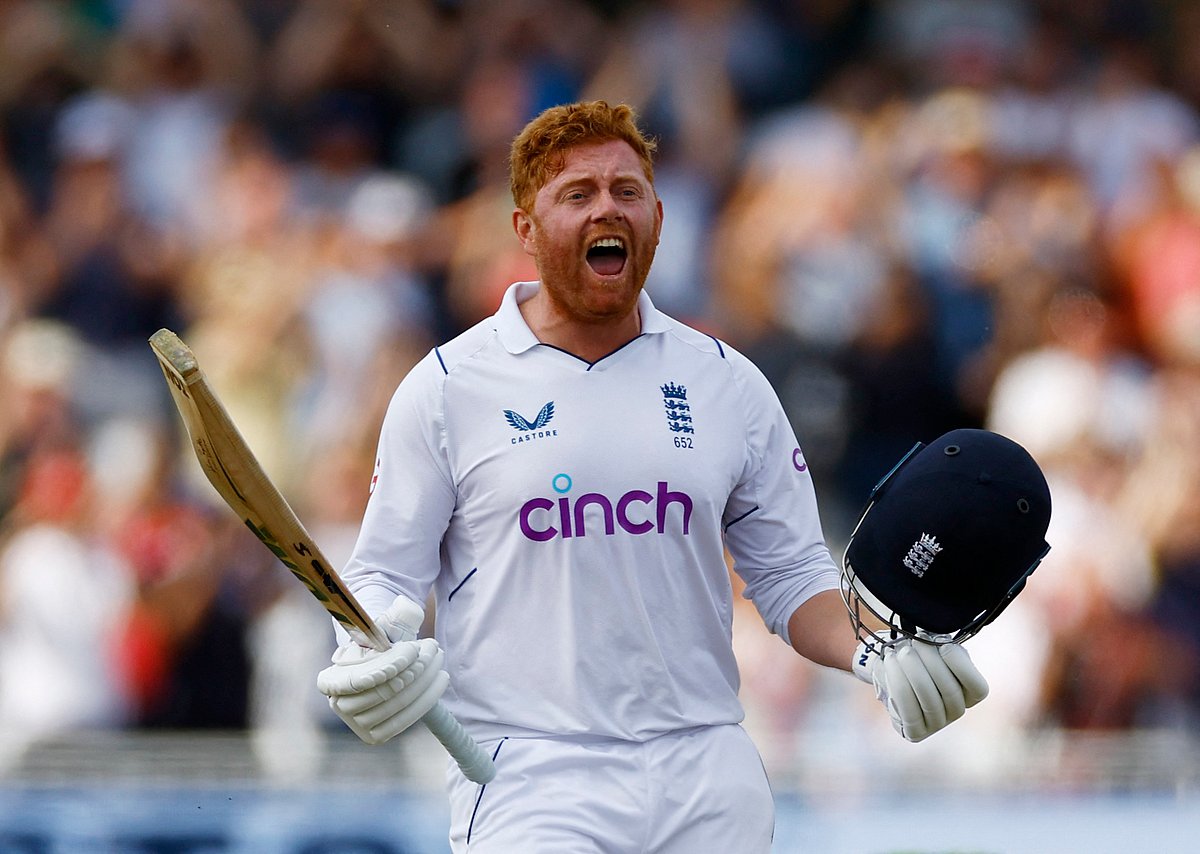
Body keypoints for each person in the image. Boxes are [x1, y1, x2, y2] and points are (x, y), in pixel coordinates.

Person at [315, 100, 989, 853]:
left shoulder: (727, 381)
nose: (607, 208)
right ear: (525, 230)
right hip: (531, 774)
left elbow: (792, 575)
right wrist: (372, 641)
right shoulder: (447, 387)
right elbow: (383, 576)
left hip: (706, 769)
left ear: (659, 219)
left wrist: (877, 651)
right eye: (578, 193)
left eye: (626, 191)